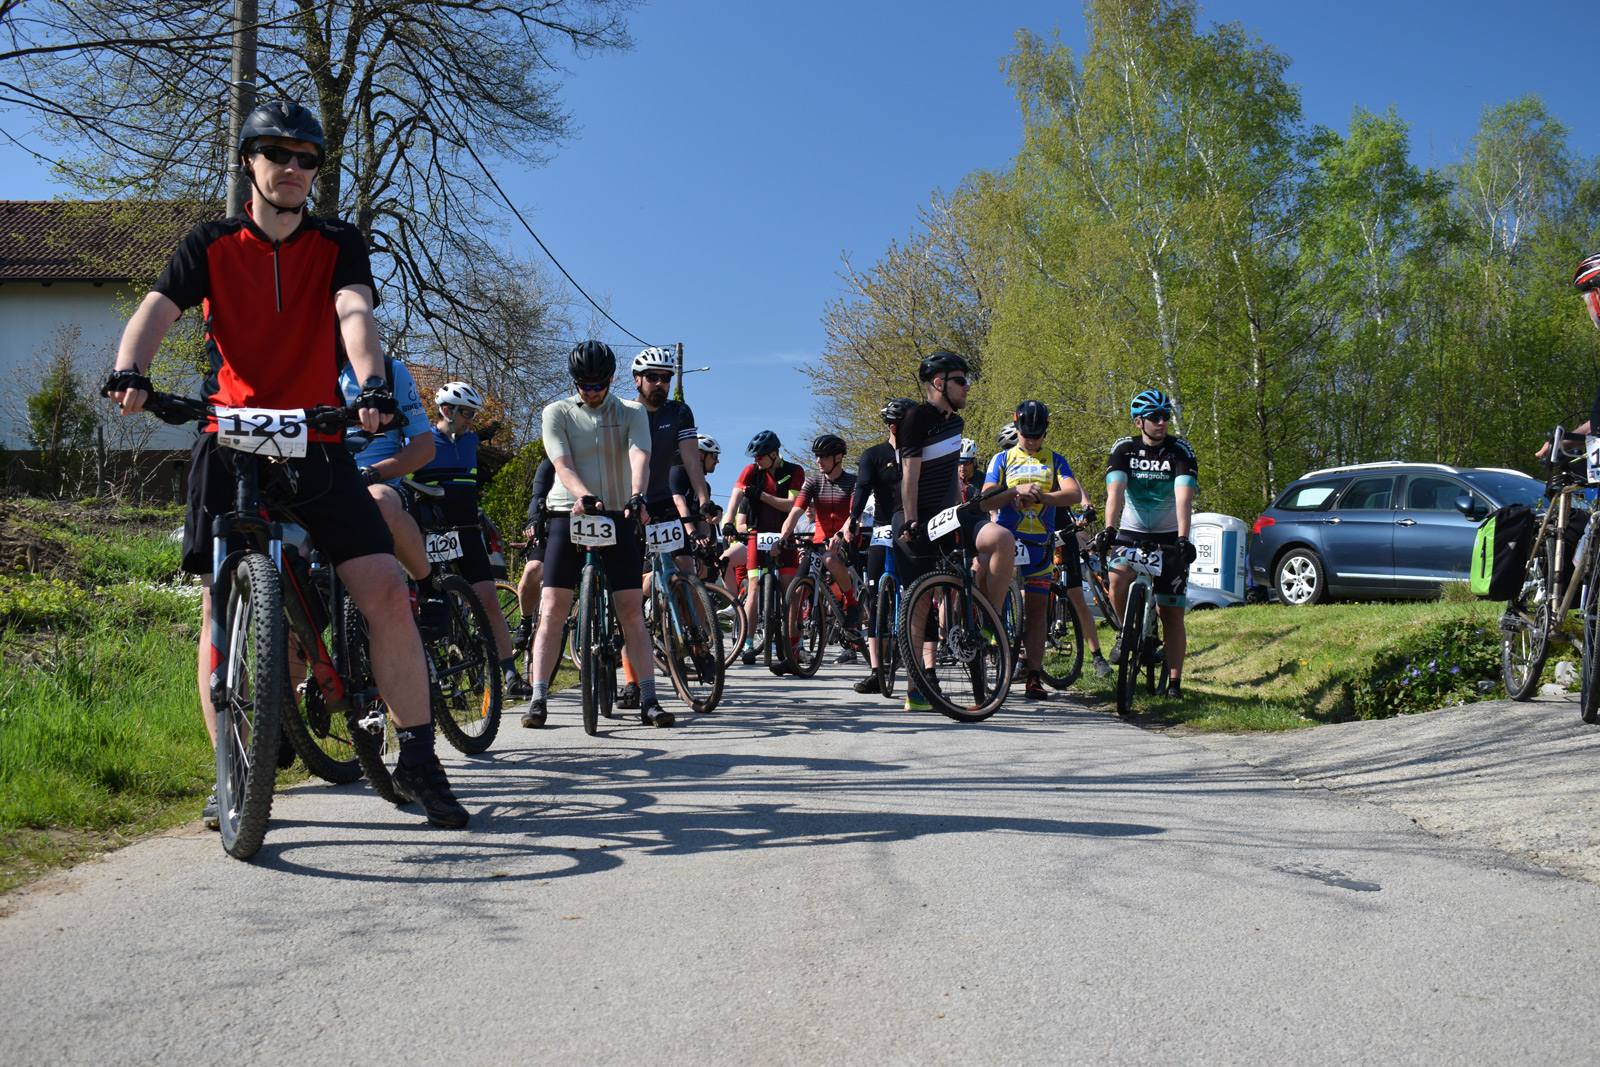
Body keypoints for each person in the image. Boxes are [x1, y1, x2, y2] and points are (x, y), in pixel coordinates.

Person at [103, 100, 467, 828]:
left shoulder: (338, 242)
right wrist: (129, 369)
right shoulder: (208, 243)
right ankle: (230, 769)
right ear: (249, 161)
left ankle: (421, 758)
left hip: (317, 439)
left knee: (385, 590)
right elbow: (155, 310)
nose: (295, 169)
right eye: (279, 154)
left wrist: (368, 386)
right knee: (218, 604)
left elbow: (355, 314)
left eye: (308, 159)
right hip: (229, 435)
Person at [524, 341, 672, 727]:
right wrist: (583, 495)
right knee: (553, 608)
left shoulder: (631, 412)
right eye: (584, 386)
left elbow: (640, 454)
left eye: (599, 386)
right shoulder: (556, 412)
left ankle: (649, 698)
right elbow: (562, 461)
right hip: (568, 510)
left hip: (619, 510)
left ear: (610, 379)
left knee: (631, 612)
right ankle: (539, 697)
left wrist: (637, 495)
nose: (591, 393)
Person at [893, 352, 1016, 712]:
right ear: (938, 383)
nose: (966, 387)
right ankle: (916, 690)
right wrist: (913, 520)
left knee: (1002, 539)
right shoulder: (915, 418)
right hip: (916, 518)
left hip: (950, 515)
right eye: (960, 380)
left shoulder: (956, 423)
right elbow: (909, 476)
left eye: (966, 380)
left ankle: (989, 619)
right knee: (918, 606)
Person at [412, 382, 530, 700]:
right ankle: (441, 675)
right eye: (466, 413)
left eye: (474, 414)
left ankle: (510, 675)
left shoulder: (472, 440)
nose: (471, 420)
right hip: (432, 534)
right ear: (446, 411)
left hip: (466, 531)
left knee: (488, 601)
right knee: (434, 604)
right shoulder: (420, 441)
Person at [618, 347, 713, 707]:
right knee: (629, 592)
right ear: (638, 380)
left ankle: (700, 642)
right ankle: (630, 678)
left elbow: (691, 460)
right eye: (653, 377)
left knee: (687, 571)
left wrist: (703, 501)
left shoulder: (679, 411)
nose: (661, 384)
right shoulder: (625, 412)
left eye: (667, 377)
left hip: (659, 503)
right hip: (629, 504)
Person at [1095, 389, 1198, 699]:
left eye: (1166, 416)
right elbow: (1115, 493)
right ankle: (1127, 633)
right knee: (1116, 577)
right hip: (1132, 530)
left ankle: (1176, 685)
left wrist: (1183, 538)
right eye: (1155, 417)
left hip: (1169, 535)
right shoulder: (1124, 449)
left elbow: (1184, 497)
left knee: (1172, 613)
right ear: (1139, 422)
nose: (1163, 422)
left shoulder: (1180, 450)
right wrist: (1109, 529)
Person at [982, 400, 1084, 699]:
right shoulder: (1001, 459)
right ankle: (994, 658)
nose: (1032, 440)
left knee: (1037, 612)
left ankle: (1034, 676)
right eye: (1027, 434)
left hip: (1040, 544)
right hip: (1008, 542)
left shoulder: (1055, 459)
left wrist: (1042, 498)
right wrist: (1014, 491)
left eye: (1038, 435)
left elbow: (1074, 493)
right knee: (997, 603)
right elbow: (987, 498)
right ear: (1017, 427)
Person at [336, 357, 444, 633]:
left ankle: (430, 586)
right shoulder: (301, 364)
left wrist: (371, 473)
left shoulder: (391, 371)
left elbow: (424, 448)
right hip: (328, 484)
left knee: (378, 502)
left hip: (382, 484)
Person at [844, 397, 912, 695]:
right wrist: (853, 518)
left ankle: (915, 665)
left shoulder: (919, 454)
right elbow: (861, 487)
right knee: (874, 599)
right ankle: (875, 670)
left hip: (912, 529)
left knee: (913, 594)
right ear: (895, 427)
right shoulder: (874, 454)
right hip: (883, 528)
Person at [725, 431, 804, 669]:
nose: (756, 461)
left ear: (773, 453)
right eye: (754, 457)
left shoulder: (794, 471)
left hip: (784, 536)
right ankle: (748, 643)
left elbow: (791, 504)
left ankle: (794, 646)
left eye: (760, 457)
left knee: (790, 590)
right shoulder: (752, 471)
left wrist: (762, 495)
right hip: (756, 535)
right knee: (753, 587)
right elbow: (736, 493)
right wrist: (729, 521)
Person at [777, 433, 862, 628]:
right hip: (818, 544)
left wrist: (840, 534)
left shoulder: (852, 482)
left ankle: (853, 603)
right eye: (817, 455)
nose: (818, 460)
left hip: (845, 541)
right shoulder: (813, 482)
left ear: (838, 457)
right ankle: (794, 653)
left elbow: (853, 514)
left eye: (824, 456)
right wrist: (783, 538)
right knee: (796, 592)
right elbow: (795, 513)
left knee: (830, 559)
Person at [509, 456, 556, 660]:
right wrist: (533, 522)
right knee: (531, 571)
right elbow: (537, 496)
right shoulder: (549, 464)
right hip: (554, 529)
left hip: (590, 530)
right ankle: (526, 620)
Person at [960, 438, 981, 503]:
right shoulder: (951, 481)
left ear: (974, 462)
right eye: (959, 462)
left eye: (966, 462)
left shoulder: (984, 480)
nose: (962, 466)